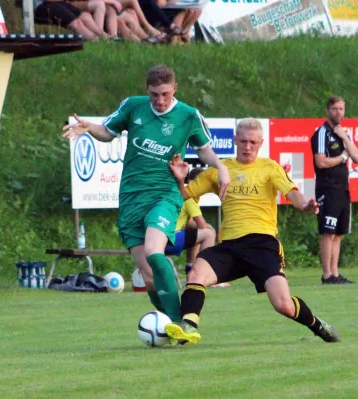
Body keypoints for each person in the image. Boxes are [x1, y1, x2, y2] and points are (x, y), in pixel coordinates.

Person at [62, 65, 230, 323]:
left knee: (154, 251)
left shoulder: (188, 115)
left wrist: (221, 167)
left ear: (175, 88)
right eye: (154, 94)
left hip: (165, 193)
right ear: (146, 91)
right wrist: (89, 127)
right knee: (148, 275)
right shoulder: (133, 106)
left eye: (165, 93)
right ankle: (167, 325)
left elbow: (204, 149)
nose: (160, 100)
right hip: (131, 198)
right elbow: (107, 133)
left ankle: (180, 321)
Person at [165, 118, 341, 345]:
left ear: (261, 143)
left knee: (284, 305)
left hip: (262, 244)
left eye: (253, 142)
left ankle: (317, 325)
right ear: (235, 140)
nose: (248, 147)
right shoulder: (220, 170)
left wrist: (306, 205)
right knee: (196, 274)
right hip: (230, 246)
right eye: (244, 141)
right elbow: (185, 196)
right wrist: (180, 180)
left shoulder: (269, 167)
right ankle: (188, 326)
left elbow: (293, 194)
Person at [310, 96, 358, 285]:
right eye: (335, 109)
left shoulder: (343, 134)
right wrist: (341, 158)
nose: (338, 112)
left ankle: (335, 273)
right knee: (328, 232)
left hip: (343, 189)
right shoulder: (321, 133)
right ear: (328, 111)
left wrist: (345, 138)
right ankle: (326, 275)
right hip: (328, 189)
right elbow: (321, 161)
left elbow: (357, 157)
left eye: (341, 109)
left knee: (339, 233)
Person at [164, 167, 216, 274]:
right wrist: (210, 227)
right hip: (169, 241)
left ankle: (191, 273)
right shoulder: (189, 196)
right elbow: (202, 225)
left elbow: (189, 224)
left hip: (159, 239)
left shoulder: (184, 193)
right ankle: (203, 273)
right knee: (209, 234)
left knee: (196, 237)